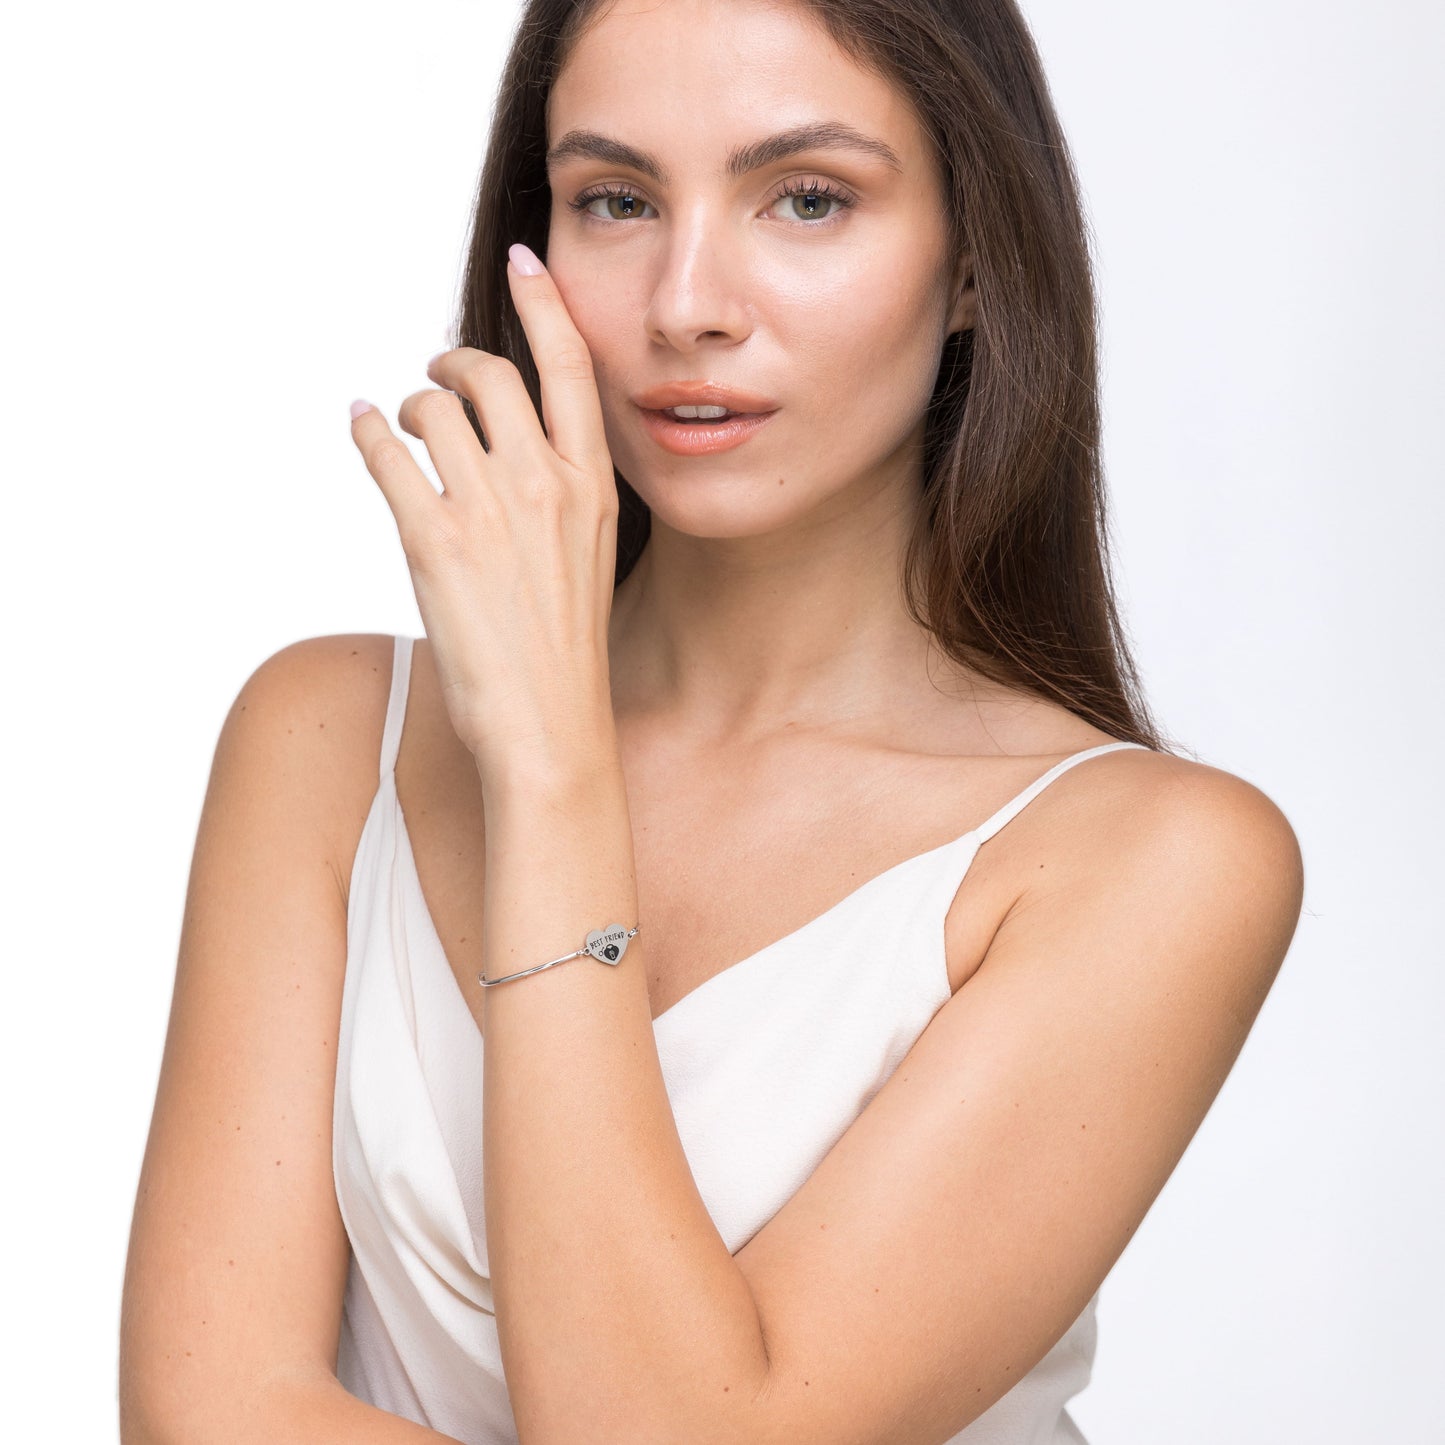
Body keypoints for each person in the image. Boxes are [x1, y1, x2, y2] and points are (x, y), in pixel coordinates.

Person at [119, 0, 1305, 1441]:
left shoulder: (1153, 862)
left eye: (807, 199)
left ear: (975, 263)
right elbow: (203, 1416)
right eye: (613, 200)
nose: (686, 301)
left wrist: (551, 766)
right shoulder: (321, 739)